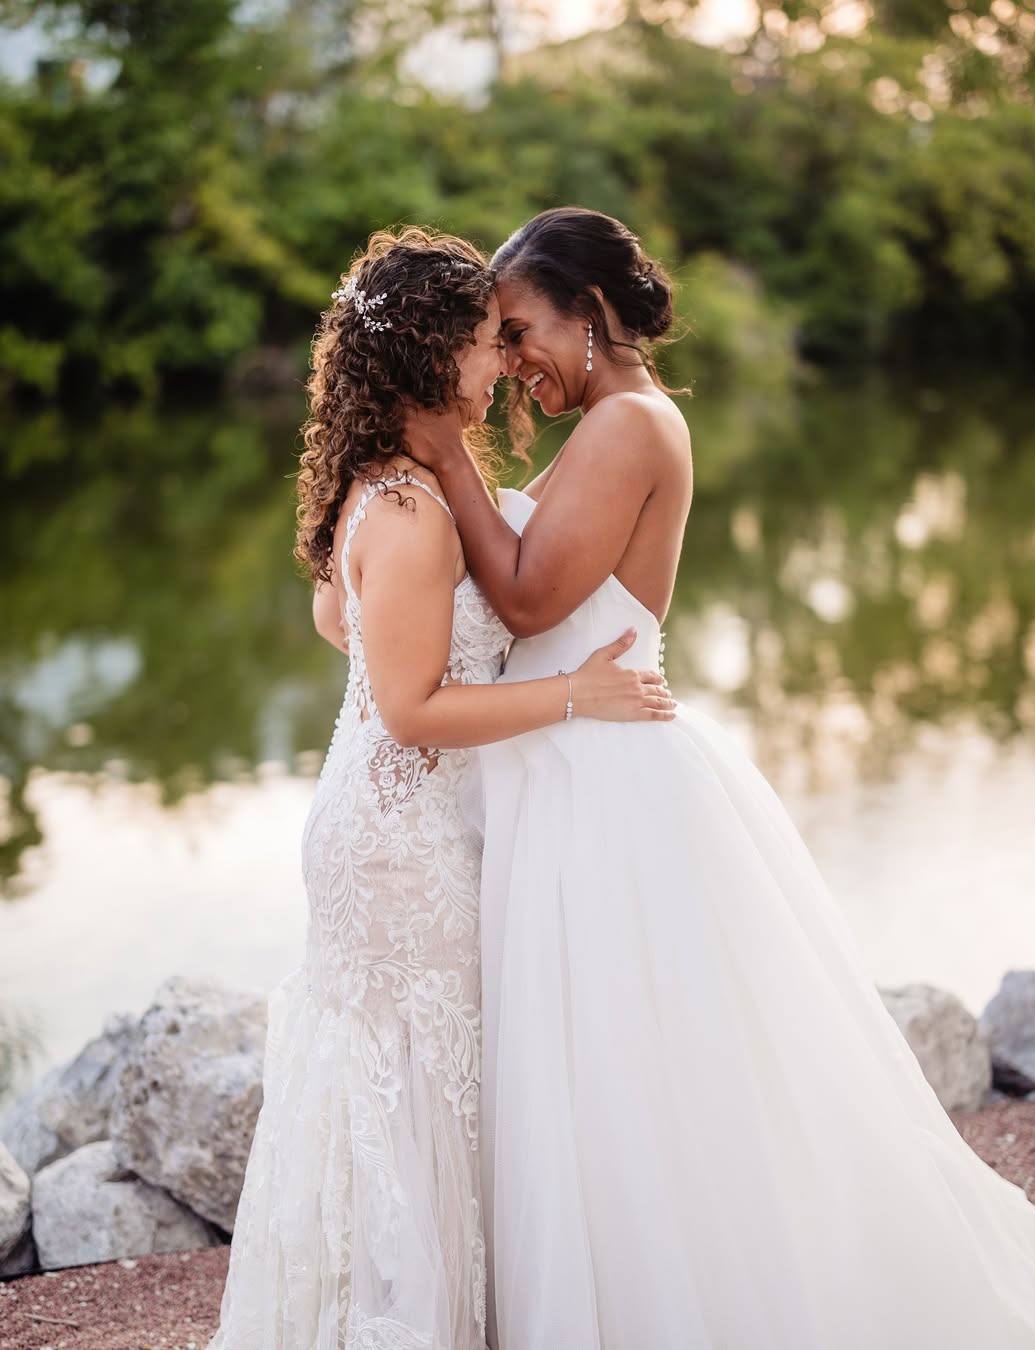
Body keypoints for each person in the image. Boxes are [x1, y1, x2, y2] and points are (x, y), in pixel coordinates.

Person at [408, 206, 1035, 1350]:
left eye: (520, 330)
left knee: (637, 1065)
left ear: (593, 315)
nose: (512, 358)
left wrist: (444, 457)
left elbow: (527, 596)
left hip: (607, 786)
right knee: (600, 1073)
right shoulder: (611, 425)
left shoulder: (629, 425)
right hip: (566, 767)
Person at [207, 226, 674, 1350]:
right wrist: (571, 696)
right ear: (428, 357)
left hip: (376, 823)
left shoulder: (382, 488)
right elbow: (413, 706)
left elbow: (345, 631)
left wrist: (422, 660)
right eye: (482, 342)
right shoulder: (416, 510)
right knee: (419, 1109)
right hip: (405, 843)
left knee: (385, 1107)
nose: (498, 365)